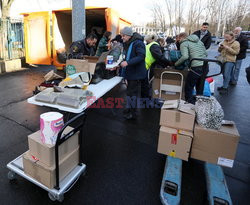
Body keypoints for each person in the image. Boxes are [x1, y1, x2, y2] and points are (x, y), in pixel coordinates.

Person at [119, 27, 147, 120]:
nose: (122, 37)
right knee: (130, 93)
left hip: (136, 73)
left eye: (123, 35)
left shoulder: (138, 43)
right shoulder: (129, 43)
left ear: (129, 35)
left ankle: (132, 113)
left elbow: (141, 56)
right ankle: (130, 110)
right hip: (131, 72)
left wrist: (127, 62)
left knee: (132, 93)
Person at [174, 32, 207, 104]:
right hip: (205, 65)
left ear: (181, 37)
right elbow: (206, 53)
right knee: (200, 88)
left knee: (188, 87)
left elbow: (185, 56)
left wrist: (176, 64)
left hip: (196, 66)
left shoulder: (184, 43)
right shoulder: (199, 41)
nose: (178, 41)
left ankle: (189, 106)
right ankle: (199, 106)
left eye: (178, 39)